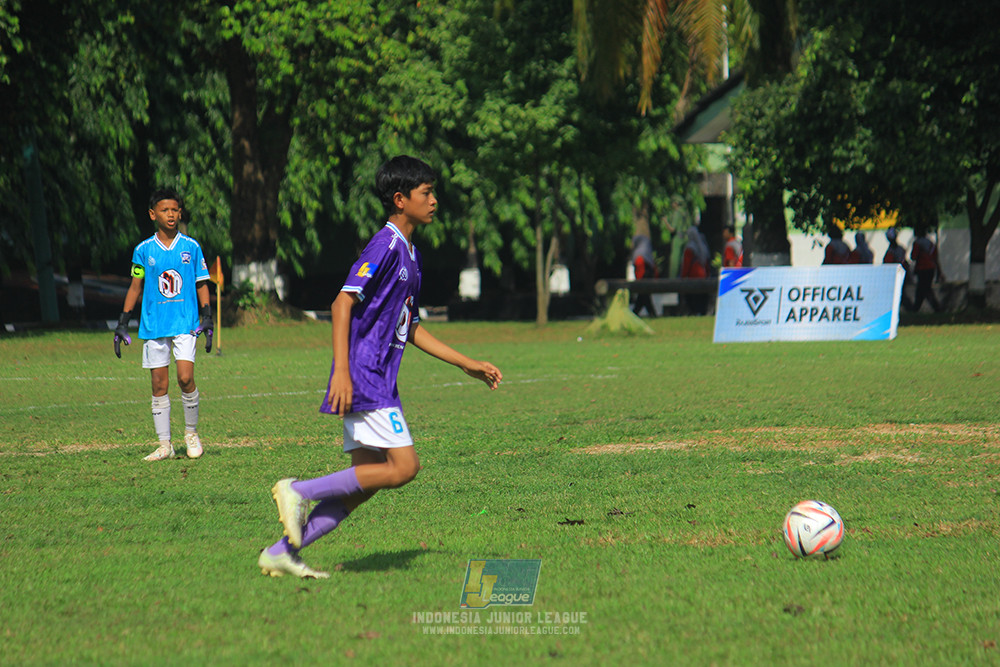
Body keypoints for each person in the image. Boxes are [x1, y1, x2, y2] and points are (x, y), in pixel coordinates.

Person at [257, 156, 503, 579]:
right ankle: (299, 490)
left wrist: (467, 364)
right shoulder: (385, 245)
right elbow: (342, 301)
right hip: (366, 374)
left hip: (377, 375)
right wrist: (341, 371)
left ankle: (282, 552)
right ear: (400, 199)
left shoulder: (412, 256)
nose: (434, 200)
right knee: (405, 467)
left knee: (364, 484)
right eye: (426, 193)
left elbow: (412, 326)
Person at [114, 189, 213, 461]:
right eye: (165, 210)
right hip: (155, 324)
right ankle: (164, 445)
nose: (171, 215)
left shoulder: (191, 247)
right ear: (152, 214)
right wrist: (123, 321)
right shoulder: (143, 250)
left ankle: (191, 433)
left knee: (185, 378)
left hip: (185, 323)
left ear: (180, 213)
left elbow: (201, 282)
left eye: (175, 210)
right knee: (159, 385)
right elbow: (136, 286)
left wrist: (207, 316)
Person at [910, 226, 946, 312]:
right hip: (931, 269)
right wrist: (939, 272)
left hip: (922, 268)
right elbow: (935, 258)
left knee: (923, 289)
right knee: (923, 289)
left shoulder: (917, 243)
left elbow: (913, 257)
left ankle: (935, 308)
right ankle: (916, 308)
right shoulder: (931, 243)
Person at [882, 227, 914, 311]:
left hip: (897, 275)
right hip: (896, 275)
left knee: (900, 294)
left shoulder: (895, 250)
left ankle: (910, 309)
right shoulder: (898, 249)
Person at [680, 226, 710, 315]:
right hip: (703, 275)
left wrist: (683, 277)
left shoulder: (689, 248)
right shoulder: (703, 247)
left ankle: (693, 312)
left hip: (692, 275)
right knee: (700, 299)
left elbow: (686, 265)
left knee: (692, 299)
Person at [630, 233, 659, 317]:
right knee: (644, 298)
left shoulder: (639, 255)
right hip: (647, 279)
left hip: (643, 279)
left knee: (643, 298)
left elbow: (640, 270)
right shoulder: (647, 254)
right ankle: (651, 314)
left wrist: (639, 282)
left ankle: (635, 314)